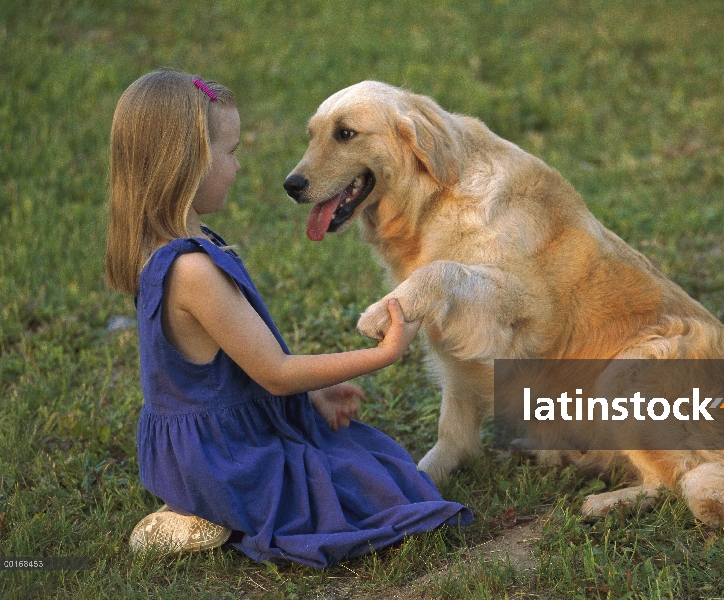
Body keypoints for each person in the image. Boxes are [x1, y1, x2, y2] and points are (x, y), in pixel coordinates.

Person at [104, 71, 472, 567]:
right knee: (379, 488)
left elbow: (231, 360)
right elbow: (275, 373)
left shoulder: (177, 246)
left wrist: (313, 392)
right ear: (188, 163)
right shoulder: (191, 268)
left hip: (201, 443)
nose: (237, 167)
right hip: (224, 456)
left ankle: (197, 502)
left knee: (370, 460)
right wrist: (382, 353)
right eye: (230, 152)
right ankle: (202, 508)